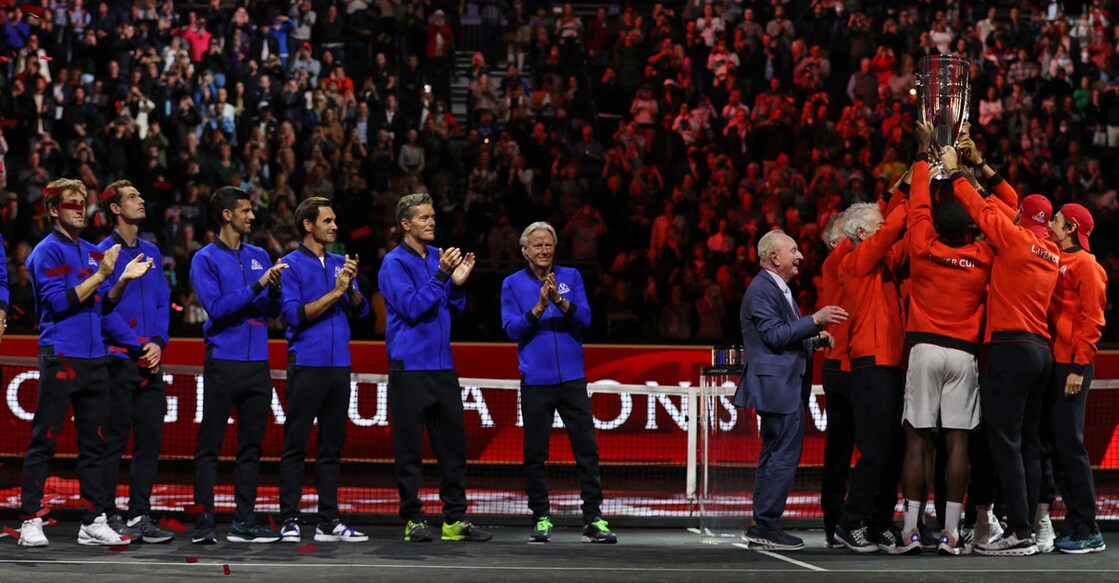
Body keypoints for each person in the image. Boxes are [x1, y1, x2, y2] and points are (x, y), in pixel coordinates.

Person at [942, 145, 1060, 557]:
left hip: (1010, 348)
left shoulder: (1012, 239)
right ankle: (1024, 523)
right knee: (1027, 442)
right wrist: (980, 168)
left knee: (1003, 442)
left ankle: (1020, 532)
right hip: (1041, 352)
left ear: (1022, 220)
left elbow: (982, 210)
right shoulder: (1051, 250)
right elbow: (1008, 206)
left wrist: (958, 175)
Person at [20, 178, 150, 547]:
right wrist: (102, 275)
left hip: (96, 360)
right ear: (52, 210)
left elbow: (103, 306)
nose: (79, 208)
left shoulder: (94, 251)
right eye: (71, 203)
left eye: (82, 202)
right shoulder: (47, 252)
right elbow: (58, 304)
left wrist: (120, 280)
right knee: (44, 440)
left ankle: (92, 519)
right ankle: (31, 518)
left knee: (95, 445)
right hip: (62, 355)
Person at [897, 122, 993, 555]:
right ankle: (954, 533)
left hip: (924, 349)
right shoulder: (982, 257)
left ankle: (912, 529)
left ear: (937, 225)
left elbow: (917, 207)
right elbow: (999, 216)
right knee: (958, 443)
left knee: (919, 439)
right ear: (970, 228)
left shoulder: (923, 245)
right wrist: (970, 174)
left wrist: (921, 154)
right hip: (963, 355)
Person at [377, 193, 491, 543]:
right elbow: (412, 307)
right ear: (406, 224)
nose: (432, 222)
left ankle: (454, 520)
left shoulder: (440, 258)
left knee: (453, 448)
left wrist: (456, 286)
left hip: (443, 367)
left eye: (433, 217)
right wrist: (443, 277)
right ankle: (413, 519)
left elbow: (452, 308)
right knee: (409, 449)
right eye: (424, 218)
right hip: (409, 368)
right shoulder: (393, 264)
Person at [500, 221, 616, 544]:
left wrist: (560, 302)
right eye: (537, 245)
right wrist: (538, 307)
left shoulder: (571, 277)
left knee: (587, 450)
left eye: (548, 245)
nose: (544, 250)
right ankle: (541, 517)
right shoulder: (511, 284)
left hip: (573, 380)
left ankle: (594, 518)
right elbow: (511, 329)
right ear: (525, 250)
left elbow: (587, 319)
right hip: (536, 382)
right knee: (535, 454)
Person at [734, 230, 847, 551]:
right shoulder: (761, 289)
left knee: (774, 455)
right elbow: (773, 336)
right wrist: (816, 320)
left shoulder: (776, 288)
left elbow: (782, 336)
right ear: (774, 257)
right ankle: (767, 524)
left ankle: (762, 523)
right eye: (794, 250)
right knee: (781, 457)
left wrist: (813, 340)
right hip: (777, 387)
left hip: (783, 385)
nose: (800, 256)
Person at [189, 186, 288, 544]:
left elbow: (272, 311)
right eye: (245, 211)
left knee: (252, 446)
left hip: (257, 365)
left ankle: (244, 520)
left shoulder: (260, 254)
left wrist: (274, 290)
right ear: (227, 215)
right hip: (223, 363)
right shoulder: (204, 259)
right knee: (209, 446)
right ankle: (205, 521)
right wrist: (260, 283)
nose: (252, 216)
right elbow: (217, 307)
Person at [277, 197, 370, 543]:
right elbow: (293, 316)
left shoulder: (339, 263)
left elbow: (361, 314)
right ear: (308, 225)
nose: (334, 226)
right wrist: (336, 293)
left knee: (332, 447)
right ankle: (289, 517)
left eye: (334, 221)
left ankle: (328, 520)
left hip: (338, 367)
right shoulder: (289, 265)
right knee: (296, 444)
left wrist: (352, 289)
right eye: (328, 221)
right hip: (306, 364)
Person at [96, 180, 176, 544]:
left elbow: (163, 302)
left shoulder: (153, 252)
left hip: (151, 361)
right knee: (113, 442)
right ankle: (108, 515)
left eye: (140, 196)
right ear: (115, 208)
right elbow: (102, 307)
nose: (141, 201)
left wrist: (158, 343)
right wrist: (137, 346)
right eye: (132, 197)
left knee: (149, 440)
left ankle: (140, 512)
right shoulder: (101, 253)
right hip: (118, 361)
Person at [835, 196, 909, 554]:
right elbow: (894, 229)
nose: (885, 230)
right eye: (877, 226)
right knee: (875, 450)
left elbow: (899, 238)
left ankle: (880, 524)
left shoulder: (885, 262)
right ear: (862, 232)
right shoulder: (854, 260)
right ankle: (850, 523)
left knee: (893, 451)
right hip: (870, 364)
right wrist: (913, 201)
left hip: (892, 364)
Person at [1042, 203, 1107, 554]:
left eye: (1056, 220)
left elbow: (1093, 321)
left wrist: (1079, 368)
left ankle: (1088, 527)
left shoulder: (1087, 265)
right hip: (1053, 364)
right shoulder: (1051, 256)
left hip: (1072, 367)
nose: (1050, 222)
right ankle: (1074, 521)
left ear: (1070, 229)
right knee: (1055, 446)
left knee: (1071, 447)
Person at [818, 214, 855, 549]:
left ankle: (856, 520)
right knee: (840, 451)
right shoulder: (835, 261)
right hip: (840, 367)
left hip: (860, 365)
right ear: (834, 241)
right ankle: (834, 523)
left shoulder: (857, 265)